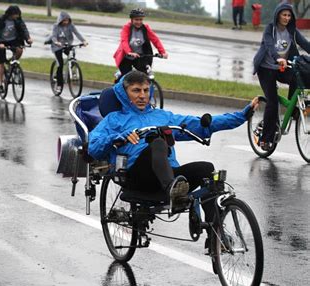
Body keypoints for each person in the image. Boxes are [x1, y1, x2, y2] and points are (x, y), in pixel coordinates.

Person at [88, 71, 258, 242]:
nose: (142, 96)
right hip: (137, 178)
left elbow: (198, 124)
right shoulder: (114, 120)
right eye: (136, 90)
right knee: (158, 143)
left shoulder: (162, 116)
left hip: (168, 175)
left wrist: (242, 116)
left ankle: (216, 235)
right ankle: (173, 191)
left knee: (206, 168)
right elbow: (93, 147)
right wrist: (117, 137)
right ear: (125, 93)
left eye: (146, 90)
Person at [253, 3, 310, 151]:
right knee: (272, 103)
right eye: (284, 15)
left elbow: (305, 44)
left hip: (282, 68)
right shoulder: (270, 29)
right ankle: (265, 139)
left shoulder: (292, 31)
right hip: (266, 69)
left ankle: (292, 108)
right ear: (278, 15)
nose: (286, 18)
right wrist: (278, 58)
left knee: (297, 78)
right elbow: (270, 46)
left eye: (289, 15)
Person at [113, 8, 168, 81]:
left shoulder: (145, 28)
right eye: (136, 19)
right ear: (132, 19)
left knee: (145, 75)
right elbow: (124, 41)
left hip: (139, 56)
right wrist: (129, 52)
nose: (139, 22)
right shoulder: (127, 28)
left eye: (141, 20)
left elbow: (155, 40)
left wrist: (162, 52)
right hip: (126, 57)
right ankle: (118, 85)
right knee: (126, 77)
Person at [0, 5, 33, 92]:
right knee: (0, 62)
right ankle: (0, 84)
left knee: (20, 50)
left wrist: (28, 39)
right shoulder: (1, 20)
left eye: (18, 15)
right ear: (10, 14)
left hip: (14, 40)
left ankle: (12, 63)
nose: (16, 16)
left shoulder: (18, 20)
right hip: (1, 41)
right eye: (15, 15)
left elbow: (24, 29)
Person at [49, 11, 88, 93]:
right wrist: (56, 42)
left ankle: (72, 69)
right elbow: (53, 36)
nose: (66, 22)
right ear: (60, 20)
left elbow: (77, 33)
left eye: (67, 20)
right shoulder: (56, 26)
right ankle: (59, 84)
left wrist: (83, 41)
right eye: (64, 20)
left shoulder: (70, 25)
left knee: (72, 55)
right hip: (57, 46)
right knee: (60, 64)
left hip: (67, 44)